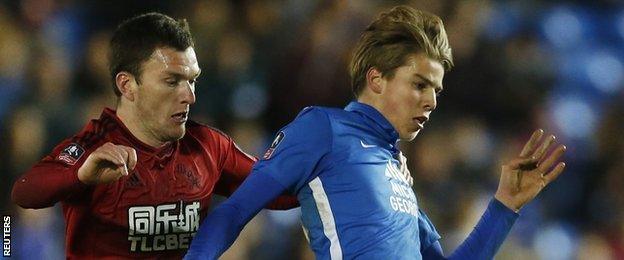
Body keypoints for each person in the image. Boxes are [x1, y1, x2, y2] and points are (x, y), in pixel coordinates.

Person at [184, 6, 567, 259]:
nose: (432, 102)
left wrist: (505, 205)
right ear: (377, 79)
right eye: (419, 85)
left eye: (436, 90)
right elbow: (234, 211)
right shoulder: (323, 129)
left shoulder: (399, 174)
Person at [11, 12, 297, 259]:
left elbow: (282, 192)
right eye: (172, 81)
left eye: (192, 80)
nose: (190, 96)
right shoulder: (94, 149)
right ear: (127, 85)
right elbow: (25, 191)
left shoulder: (208, 146)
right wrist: (80, 177)